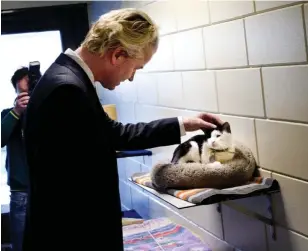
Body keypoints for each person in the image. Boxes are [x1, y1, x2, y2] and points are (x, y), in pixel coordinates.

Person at [21, 8, 223, 251]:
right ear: (118, 55)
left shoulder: (67, 79)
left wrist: (183, 124)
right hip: (69, 236)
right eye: (136, 68)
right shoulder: (68, 90)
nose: (131, 78)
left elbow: (112, 134)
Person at [1, 67, 31, 251]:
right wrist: (17, 111)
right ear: (16, 93)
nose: (28, 97)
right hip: (21, 194)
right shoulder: (8, 115)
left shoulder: (48, 113)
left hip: (51, 191)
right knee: (22, 245)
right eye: (23, 93)